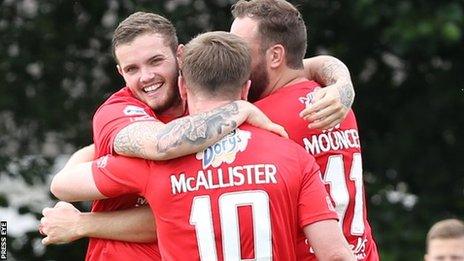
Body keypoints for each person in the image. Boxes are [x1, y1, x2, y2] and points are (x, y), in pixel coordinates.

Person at [40, 10, 356, 260]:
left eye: (155, 61)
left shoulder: (213, 87)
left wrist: (341, 82)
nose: (147, 76)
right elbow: (161, 145)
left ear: (181, 58)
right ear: (120, 73)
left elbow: (287, 67)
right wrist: (238, 111)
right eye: (132, 69)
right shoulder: (119, 112)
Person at [229, 0, 379, 260]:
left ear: (275, 55)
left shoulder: (264, 121)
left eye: (240, 51)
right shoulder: (336, 101)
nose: (232, 63)